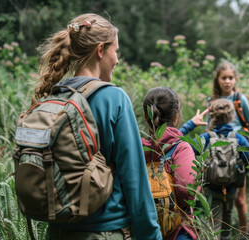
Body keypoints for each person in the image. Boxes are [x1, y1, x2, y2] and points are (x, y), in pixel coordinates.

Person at [32, 13, 161, 240]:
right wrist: (151, 235)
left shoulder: (53, 96)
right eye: (116, 51)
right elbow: (135, 181)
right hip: (105, 231)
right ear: (101, 50)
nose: (117, 60)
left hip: (57, 232)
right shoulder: (113, 98)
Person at [180, 99, 249, 240]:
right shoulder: (238, 138)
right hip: (231, 188)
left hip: (211, 188)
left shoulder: (206, 137)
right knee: (228, 218)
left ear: (212, 116)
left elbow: (186, 147)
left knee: (214, 224)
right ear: (232, 117)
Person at [207, 61, 249, 233]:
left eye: (231, 78)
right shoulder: (212, 101)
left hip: (236, 155)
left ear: (235, 79)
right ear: (218, 79)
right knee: (219, 198)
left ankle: (244, 233)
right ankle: (224, 233)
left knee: (239, 200)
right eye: (224, 78)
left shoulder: (239, 100)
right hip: (217, 156)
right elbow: (209, 127)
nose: (227, 81)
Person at [141, 87, 197, 240]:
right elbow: (186, 191)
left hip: (143, 230)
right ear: (176, 116)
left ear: (147, 116)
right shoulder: (181, 147)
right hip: (177, 232)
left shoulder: (137, 147)